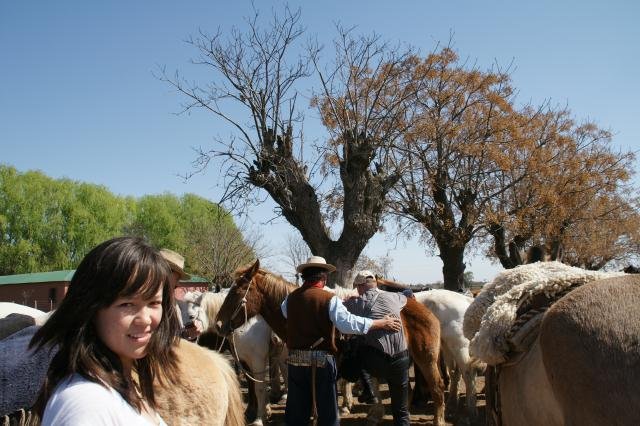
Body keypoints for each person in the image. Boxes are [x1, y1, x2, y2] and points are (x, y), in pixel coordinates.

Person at [29, 237, 181, 425]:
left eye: (154, 303)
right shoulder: (85, 404)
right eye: (127, 304)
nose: (145, 319)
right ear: (91, 308)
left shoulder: (125, 383)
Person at [280, 256, 402, 426]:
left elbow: (288, 315)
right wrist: (381, 323)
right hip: (321, 362)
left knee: (296, 412)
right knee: (328, 414)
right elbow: (348, 324)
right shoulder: (330, 300)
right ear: (324, 278)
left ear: (304, 277)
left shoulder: (288, 300)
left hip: (295, 362)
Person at [344, 270, 411, 426]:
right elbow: (407, 295)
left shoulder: (355, 303)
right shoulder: (395, 298)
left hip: (377, 363)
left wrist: (349, 298)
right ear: (375, 284)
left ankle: (366, 390)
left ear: (359, 286)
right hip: (402, 360)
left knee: (354, 347)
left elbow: (340, 311)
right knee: (401, 410)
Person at [159, 248, 203, 341]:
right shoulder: (141, 299)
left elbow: (177, 335)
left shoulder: (173, 304)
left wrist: (188, 334)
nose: (178, 284)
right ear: (165, 272)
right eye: (177, 278)